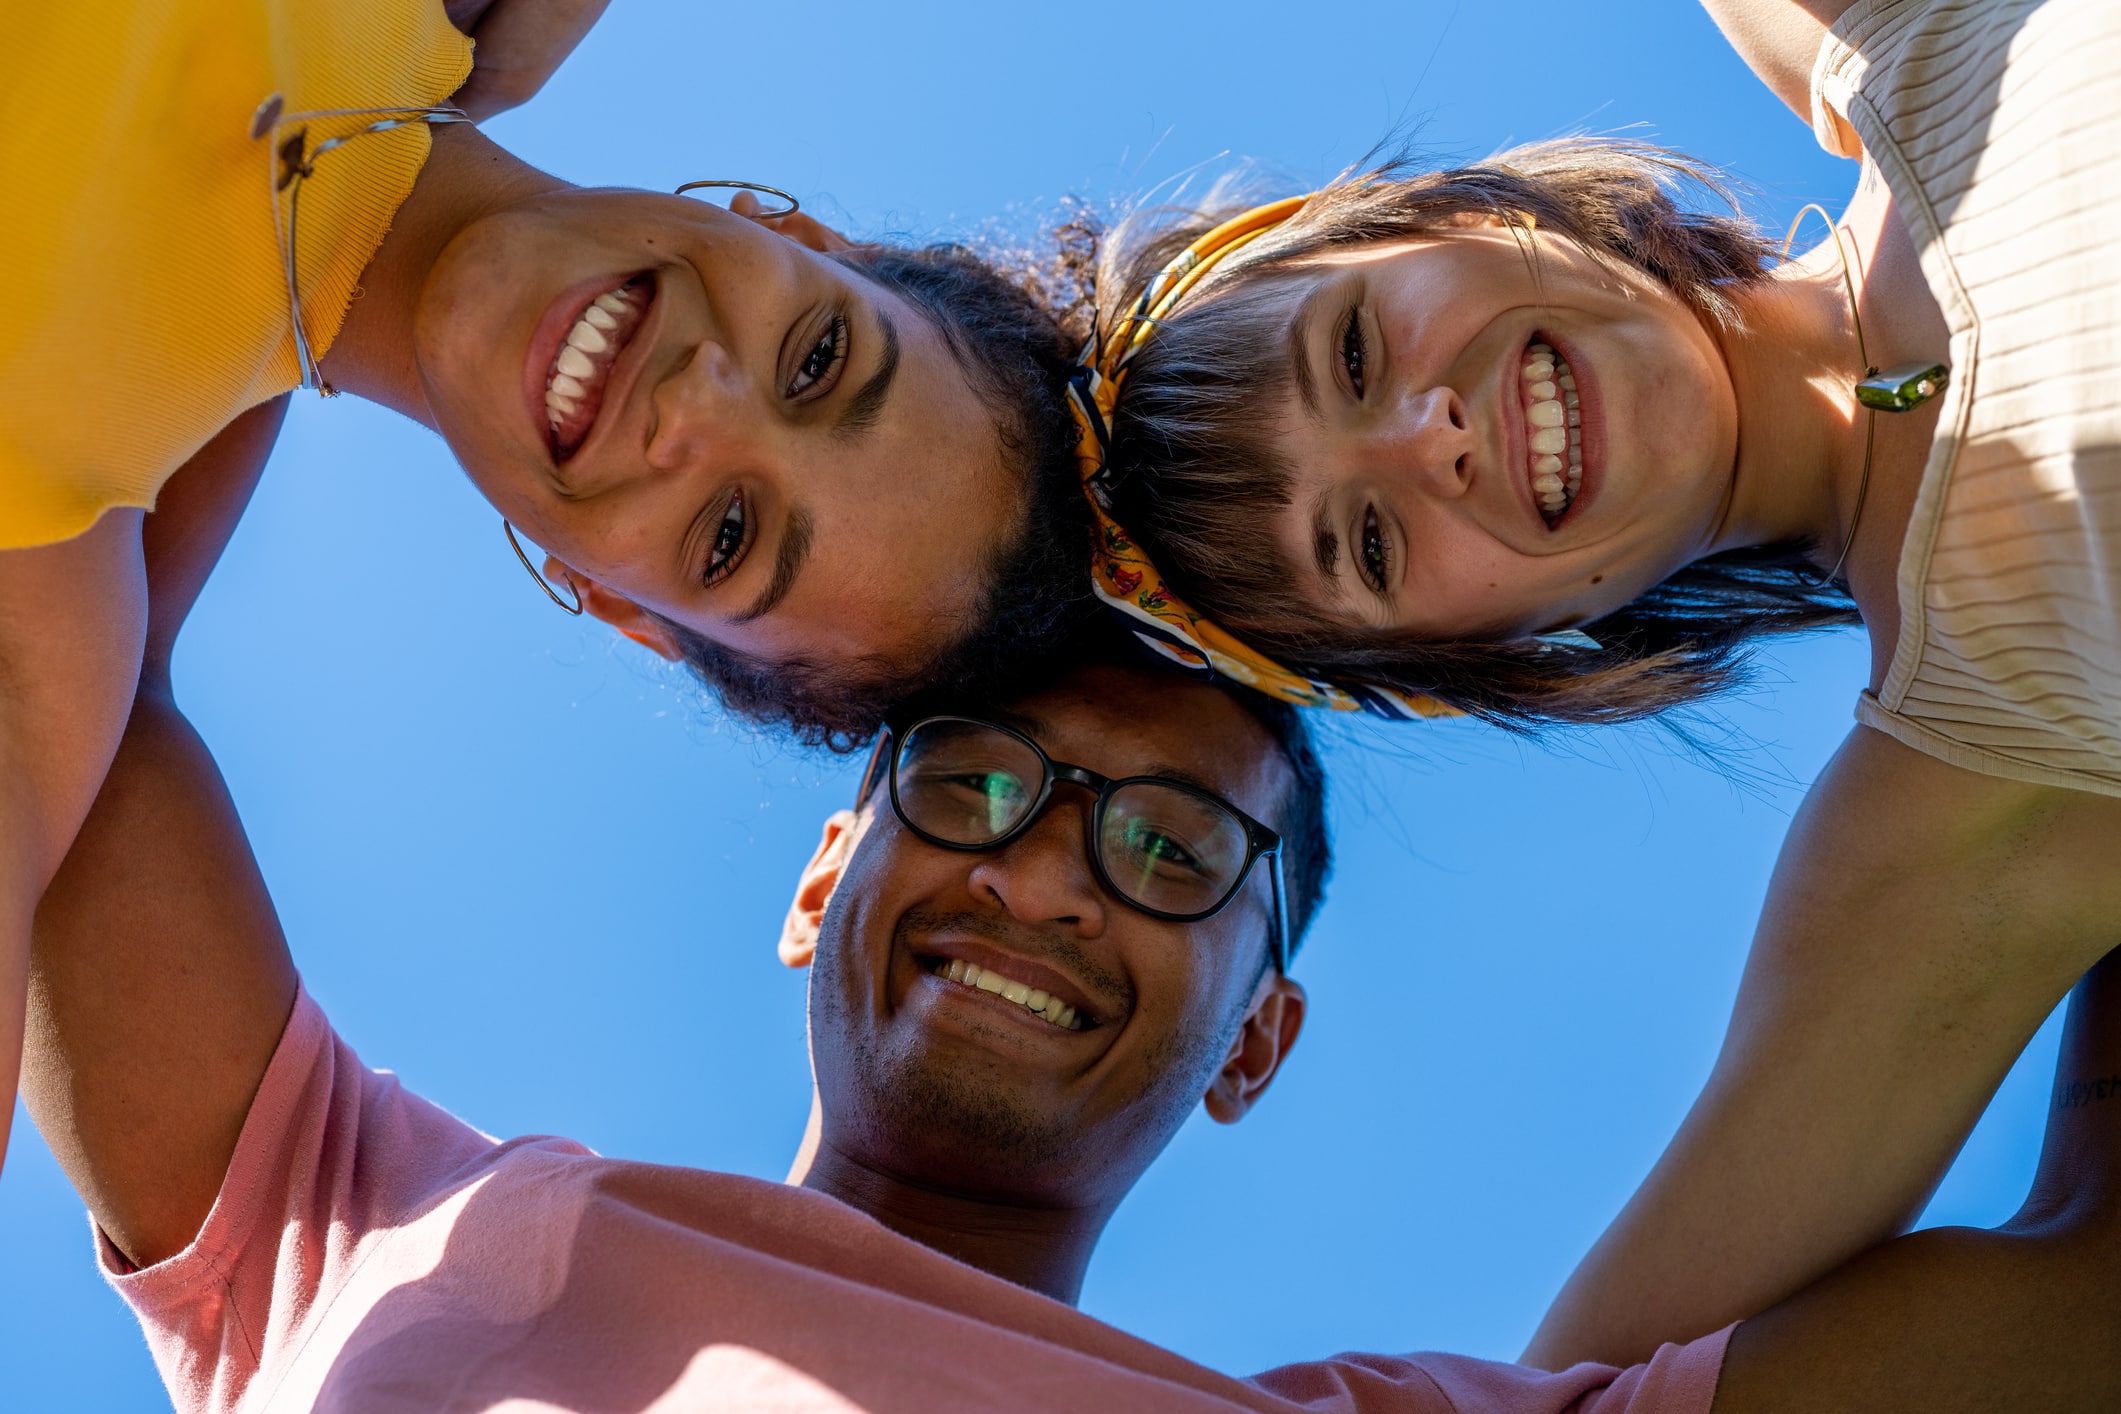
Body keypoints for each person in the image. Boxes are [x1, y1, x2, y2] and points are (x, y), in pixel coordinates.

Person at [20, 414, 2121, 1413]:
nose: (1038, 870)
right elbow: (67, 682)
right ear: (823, 875)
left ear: (1255, 1038)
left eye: (1172, 847)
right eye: (973, 784)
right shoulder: (353, 1213)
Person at [1060, 0, 2121, 1367]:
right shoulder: (1974, 781)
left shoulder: (1894, 34)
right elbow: (1577, 1397)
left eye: (1355, 350)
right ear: (1495, 651)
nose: (1426, 439)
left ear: (1444, 216)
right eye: (1370, 545)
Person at [0, 0, 1089, 1173]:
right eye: (819, 358)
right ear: (810, 238)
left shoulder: (42, 628)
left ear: (616, 605)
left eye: (727, 536)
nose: (696, 405)